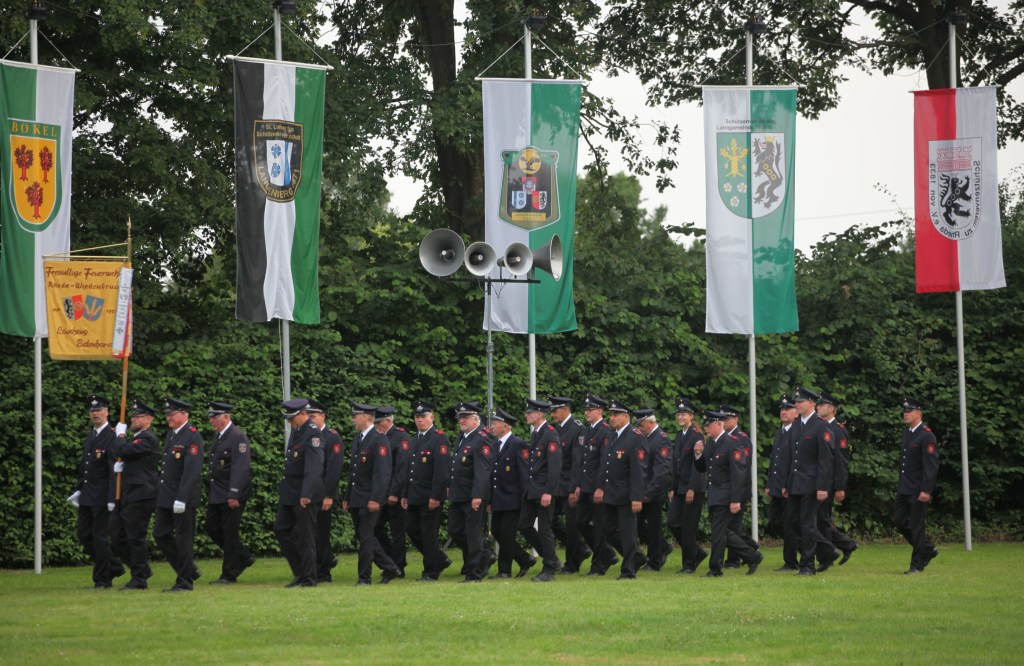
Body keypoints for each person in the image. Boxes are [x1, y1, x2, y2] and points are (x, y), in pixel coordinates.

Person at [694, 409, 762, 577]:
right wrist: (698, 454)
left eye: (709, 425)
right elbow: (703, 468)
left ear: (719, 425)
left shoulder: (732, 443)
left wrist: (735, 499)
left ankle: (715, 569)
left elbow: (739, 474)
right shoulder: (711, 444)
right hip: (714, 495)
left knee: (719, 534)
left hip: (726, 495)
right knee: (724, 532)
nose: (706, 429)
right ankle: (752, 556)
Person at [66, 395, 124, 588]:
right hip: (88, 495)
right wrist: (78, 489)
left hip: (102, 496)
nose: (95, 414)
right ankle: (113, 566)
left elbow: (113, 470)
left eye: (99, 410)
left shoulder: (112, 436)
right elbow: (86, 466)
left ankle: (103, 579)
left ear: (107, 412)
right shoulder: (91, 435)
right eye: (92, 411)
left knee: (100, 538)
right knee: (84, 535)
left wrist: (112, 498)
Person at [343, 402, 403, 586]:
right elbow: (354, 471)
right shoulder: (359, 438)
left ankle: (364, 577)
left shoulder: (379, 439)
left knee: (367, 538)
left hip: (369, 497)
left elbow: (382, 473)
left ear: (365, 417)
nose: (353, 420)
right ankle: (390, 567)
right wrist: (347, 496)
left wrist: (376, 498)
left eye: (355, 416)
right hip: (357, 497)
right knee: (364, 537)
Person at [108, 400, 161, 590]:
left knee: (135, 537)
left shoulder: (147, 438)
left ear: (149, 419)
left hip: (142, 494)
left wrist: (121, 435)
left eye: (138, 416)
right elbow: (124, 452)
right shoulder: (137, 437)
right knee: (116, 533)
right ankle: (142, 570)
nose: (133, 419)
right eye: (133, 416)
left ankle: (139, 578)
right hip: (130, 493)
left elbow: (122, 449)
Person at [152, 399, 204, 592]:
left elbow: (191, 471)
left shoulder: (192, 436)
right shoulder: (172, 435)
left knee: (183, 539)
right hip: (167, 496)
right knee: (160, 534)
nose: (168, 418)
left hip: (183, 498)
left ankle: (184, 581)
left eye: (172, 414)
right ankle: (188, 569)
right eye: (167, 414)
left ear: (184, 414)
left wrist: (182, 497)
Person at [784, 386, 837, 576]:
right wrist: (786, 483)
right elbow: (791, 457)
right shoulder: (796, 425)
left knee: (807, 524)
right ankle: (827, 551)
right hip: (796, 483)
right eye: (796, 402)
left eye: (800, 401)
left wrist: (822, 486)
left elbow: (826, 460)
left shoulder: (821, 426)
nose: (796, 405)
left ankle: (807, 565)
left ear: (811, 403)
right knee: (792, 521)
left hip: (811, 484)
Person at [275, 398, 324, 588]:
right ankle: (300, 571)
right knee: (281, 529)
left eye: (291, 418)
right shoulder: (297, 430)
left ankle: (309, 578)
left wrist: (307, 493)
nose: (289, 422)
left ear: (303, 414)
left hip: (304, 494)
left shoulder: (312, 433)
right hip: (290, 492)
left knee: (306, 536)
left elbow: (314, 466)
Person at [205, 401, 255, 585]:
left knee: (229, 533)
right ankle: (243, 556)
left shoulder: (237, 436)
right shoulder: (219, 436)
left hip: (232, 493)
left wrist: (234, 493)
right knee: (212, 527)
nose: (211, 420)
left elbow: (240, 468)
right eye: (210, 417)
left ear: (226, 417)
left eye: (215, 417)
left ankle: (229, 574)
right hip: (218, 492)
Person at [594, 399, 645, 580]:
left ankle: (628, 570)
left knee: (628, 533)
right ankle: (636, 557)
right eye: (611, 414)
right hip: (611, 492)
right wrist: (600, 486)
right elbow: (605, 464)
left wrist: (637, 497)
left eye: (616, 415)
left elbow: (639, 470)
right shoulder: (612, 435)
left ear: (626, 416)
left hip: (626, 494)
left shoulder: (635, 437)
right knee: (607, 528)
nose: (612, 418)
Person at [447, 402, 496, 582]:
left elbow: (483, 471)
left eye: (466, 417)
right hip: (458, 493)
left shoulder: (481, 438)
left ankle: (474, 572)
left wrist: (478, 496)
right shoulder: (463, 436)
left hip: (472, 495)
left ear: (476, 420)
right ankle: (485, 554)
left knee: (473, 532)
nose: (462, 421)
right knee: (455, 530)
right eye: (460, 417)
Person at [403, 400, 452, 581]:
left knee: (429, 534)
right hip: (415, 494)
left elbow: (442, 471)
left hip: (430, 496)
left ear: (432, 417)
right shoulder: (414, 440)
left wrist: (436, 496)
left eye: (423, 416)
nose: (420, 420)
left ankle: (431, 571)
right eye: (417, 417)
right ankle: (439, 559)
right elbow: (410, 470)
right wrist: (405, 494)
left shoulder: (439, 439)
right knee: (411, 528)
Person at [518, 398, 563, 582]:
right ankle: (551, 558)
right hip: (533, 489)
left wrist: (549, 492)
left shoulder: (549, 434)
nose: (526, 416)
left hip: (544, 490)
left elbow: (555, 466)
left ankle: (549, 569)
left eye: (529, 413)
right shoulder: (537, 433)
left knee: (545, 529)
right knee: (524, 525)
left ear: (539, 415)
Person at [487, 407, 534, 578]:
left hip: (513, 499)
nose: (492, 426)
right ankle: (524, 559)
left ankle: (504, 570)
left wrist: (524, 498)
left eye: (495, 423)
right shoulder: (495, 445)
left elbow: (524, 473)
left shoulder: (517, 444)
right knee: (496, 531)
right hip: (498, 498)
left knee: (507, 534)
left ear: (506, 426)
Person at [894, 396, 940, 574]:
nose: (905, 414)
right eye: (904, 411)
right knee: (899, 521)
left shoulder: (926, 435)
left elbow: (930, 466)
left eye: (909, 411)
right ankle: (927, 548)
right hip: (905, 487)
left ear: (919, 413)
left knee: (917, 526)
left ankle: (917, 564)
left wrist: (926, 490)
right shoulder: (908, 433)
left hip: (918, 489)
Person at [816, 389, 858, 567]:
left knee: (821, 519)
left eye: (822, 405)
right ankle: (845, 545)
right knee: (819, 519)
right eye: (818, 404)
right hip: (818, 480)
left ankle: (827, 555)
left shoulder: (838, 430)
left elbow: (841, 461)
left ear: (831, 408)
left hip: (829, 482)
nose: (818, 407)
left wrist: (840, 486)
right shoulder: (819, 426)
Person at [666, 398, 707, 574]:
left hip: (692, 488)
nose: (680, 417)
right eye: (679, 414)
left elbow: (697, 465)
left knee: (688, 527)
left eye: (684, 414)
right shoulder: (680, 435)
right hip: (679, 487)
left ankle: (689, 564)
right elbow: (677, 464)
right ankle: (696, 552)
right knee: (673, 523)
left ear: (691, 416)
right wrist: (672, 487)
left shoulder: (696, 435)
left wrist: (692, 488)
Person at [549, 395, 587, 573]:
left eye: (555, 411)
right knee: (551, 521)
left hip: (570, 484)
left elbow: (578, 462)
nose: (552, 415)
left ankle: (572, 563)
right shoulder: (556, 429)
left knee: (572, 525)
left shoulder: (577, 429)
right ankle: (581, 549)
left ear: (565, 410)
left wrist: (574, 488)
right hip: (557, 484)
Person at [580, 395, 618, 576]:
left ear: (600, 411)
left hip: (597, 486)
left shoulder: (605, 431)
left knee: (599, 528)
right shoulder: (587, 431)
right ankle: (607, 553)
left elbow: (605, 462)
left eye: (590, 410)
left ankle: (599, 565)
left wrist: (601, 487)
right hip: (586, 485)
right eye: (586, 410)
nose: (587, 413)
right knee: (579, 521)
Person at [719, 404, 759, 568]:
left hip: (739, 489)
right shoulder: (723, 438)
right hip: (726, 488)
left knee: (733, 526)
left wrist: (740, 493)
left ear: (736, 419)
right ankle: (750, 546)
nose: (723, 422)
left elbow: (743, 468)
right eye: (722, 419)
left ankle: (734, 559)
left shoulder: (741, 439)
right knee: (728, 526)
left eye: (727, 419)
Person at [309, 400, 345, 583]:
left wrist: (329, 495)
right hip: (310, 492)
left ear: (322, 416)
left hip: (323, 493)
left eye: (313, 416)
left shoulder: (331, 437)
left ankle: (324, 571)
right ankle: (325, 560)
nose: (310, 420)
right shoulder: (307, 435)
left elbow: (333, 469)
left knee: (321, 533)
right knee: (310, 532)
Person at [764, 394, 799, 571]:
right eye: (782, 409)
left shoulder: (797, 432)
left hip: (789, 487)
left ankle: (791, 561)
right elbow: (775, 461)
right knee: (775, 522)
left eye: (788, 409)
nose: (784, 412)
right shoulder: (780, 432)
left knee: (789, 524)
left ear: (796, 412)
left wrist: (788, 484)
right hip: (777, 486)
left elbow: (795, 462)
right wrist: (770, 483)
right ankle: (802, 545)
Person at [634, 409, 672, 570]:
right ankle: (663, 546)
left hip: (654, 491)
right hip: (642, 489)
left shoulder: (661, 440)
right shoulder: (644, 437)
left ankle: (655, 560)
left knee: (653, 526)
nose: (640, 428)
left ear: (651, 422)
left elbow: (661, 471)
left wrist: (648, 492)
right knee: (637, 525)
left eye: (642, 425)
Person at [374, 405, 410, 577]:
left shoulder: (400, 436)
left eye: (378, 422)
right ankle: (391, 559)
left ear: (388, 421)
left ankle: (399, 565)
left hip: (394, 492)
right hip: (381, 492)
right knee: (376, 527)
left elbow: (401, 468)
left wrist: (395, 492)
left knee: (397, 530)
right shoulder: (377, 436)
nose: (376, 426)